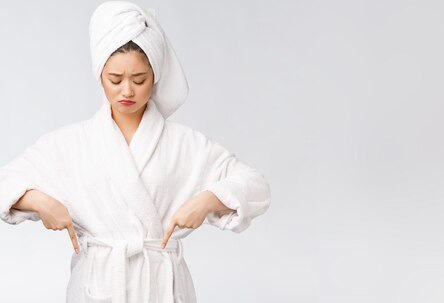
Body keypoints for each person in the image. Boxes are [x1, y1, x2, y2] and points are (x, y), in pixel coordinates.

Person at [0, 1, 271, 302]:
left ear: (155, 77)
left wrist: (209, 200)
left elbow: (256, 186)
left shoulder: (184, 144)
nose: (127, 91)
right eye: (115, 80)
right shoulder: (72, 143)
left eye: (139, 79)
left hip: (162, 289)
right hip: (98, 288)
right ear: (99, 75)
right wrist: (37, 201)